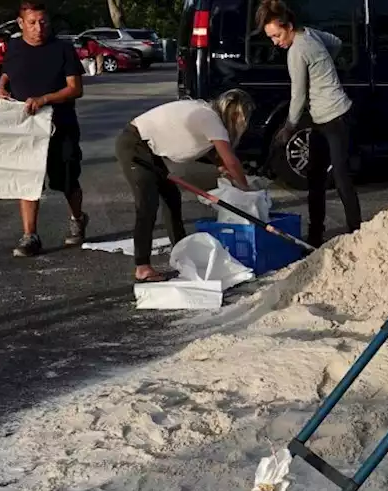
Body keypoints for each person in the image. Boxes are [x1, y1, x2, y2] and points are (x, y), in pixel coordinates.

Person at [116, 91, 256, 283]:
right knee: (147, 204)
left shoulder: (206, 113)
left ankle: (181, 252)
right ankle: (143, 267)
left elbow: (207, 148)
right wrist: (245, 190)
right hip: (134, 144)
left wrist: (221, 167)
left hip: (146, 146)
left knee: (171, 197)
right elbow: (230, 160)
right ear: (235, 115)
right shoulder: (211, 119)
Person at [255, 0, 361, 248]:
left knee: (340, 177)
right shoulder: (310, 33)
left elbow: (298, 95)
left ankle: (355, 232)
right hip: (327, 117)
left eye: (277, 35)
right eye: (271, 37)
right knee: (317, 177)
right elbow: (336, 42)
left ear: (288, 26)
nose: (275, 42)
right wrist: (324, 69)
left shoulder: (296, 51)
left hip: (334, 116)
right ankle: (316, 236)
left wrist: (288, 127)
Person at [0, 1, 88, 258]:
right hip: (25, 125)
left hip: (61, 124)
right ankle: (30, 236)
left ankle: (77, 218)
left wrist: (44, 99)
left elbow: (75, 88)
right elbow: (8, 72)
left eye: (43, 21)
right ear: (21, 23)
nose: (39, 28)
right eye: (33, 22)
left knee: (67, 180)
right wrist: (1, 87)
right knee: (28, 180)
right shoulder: (14, 47)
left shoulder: (63, 49)